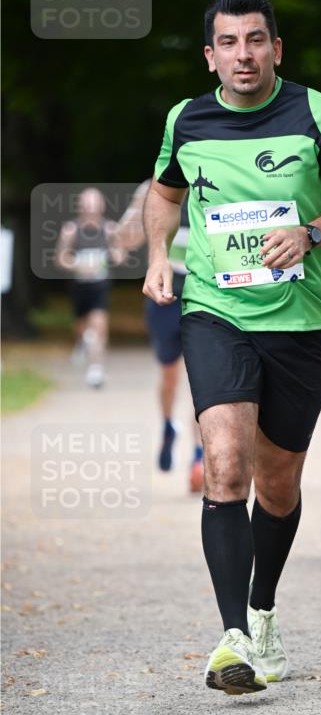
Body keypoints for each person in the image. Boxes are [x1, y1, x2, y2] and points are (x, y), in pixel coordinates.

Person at [143, 0, 321, 695]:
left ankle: (263, 610)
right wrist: (158, 255)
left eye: (256, 40)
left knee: (277, 484)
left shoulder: (316, 112)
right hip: (216, 312)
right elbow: (164, 193)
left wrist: (307, 233)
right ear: (210, 55)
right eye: (229, 43)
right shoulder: (187, 119)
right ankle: (231, 638)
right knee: (225, 464)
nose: (243, 54)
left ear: (276, 48)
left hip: (299, 323)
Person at [118, 181, 204, 491]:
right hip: (165, 295)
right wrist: (136, 213)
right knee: (169, 376)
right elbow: (125, 241)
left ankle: (200, 457)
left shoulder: (214, 176)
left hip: (203, 294)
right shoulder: (153, 188)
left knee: (203, 377)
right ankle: (168, 426)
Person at [56, 187, 122, 388]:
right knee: (82, 329)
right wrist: (78, 264)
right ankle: (82, 343)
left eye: (95, 204)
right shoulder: (71, 230)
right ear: (81, 207)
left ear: (101, 206)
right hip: (79, 286)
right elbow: (61, 258)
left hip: (100, 286)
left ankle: (96, 370)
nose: (91, 208)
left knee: (99, 327)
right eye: (87, 204)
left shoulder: (110, 229)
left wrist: (111, 256)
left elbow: (120, 256)